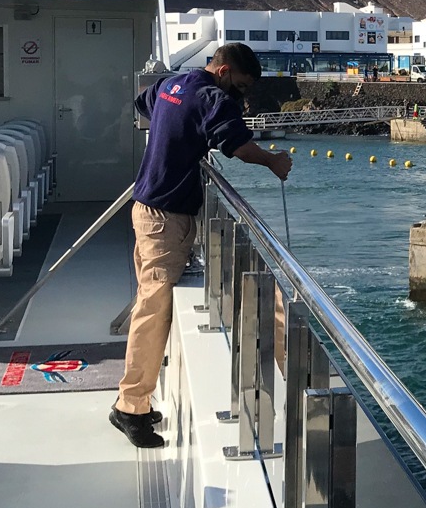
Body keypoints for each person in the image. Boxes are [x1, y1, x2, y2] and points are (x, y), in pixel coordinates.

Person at [110, 43, 293, 448]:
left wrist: (181, 137)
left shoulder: (171, 84)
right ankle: (129, 407)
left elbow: (145, 104)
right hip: (164, 218)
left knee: (151, 304)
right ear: (224, 70)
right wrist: (274, 161)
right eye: (240, 87)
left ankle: (135, 400)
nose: (240, 96)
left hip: (148, 207)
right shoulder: (212, 97)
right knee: (152, 310)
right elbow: (239, 147)